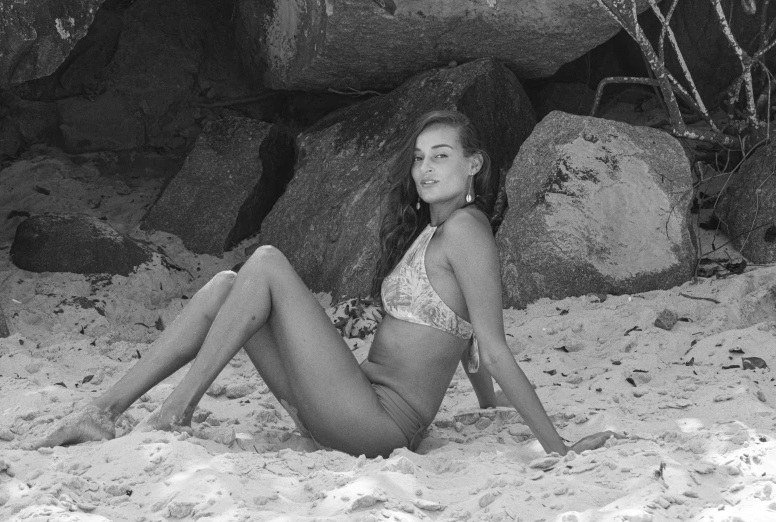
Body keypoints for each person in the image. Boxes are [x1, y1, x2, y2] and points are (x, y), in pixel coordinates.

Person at [33, 110, 616, 457]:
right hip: (348, 403)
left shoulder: (467, 229)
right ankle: (104, 411)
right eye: (418, 158)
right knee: (224, 288)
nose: (426, 169)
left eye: (442, 156)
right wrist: (487, 408)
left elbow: (491, 342)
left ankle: (175, 412)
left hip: (376, 424)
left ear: (475, 165)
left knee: (264, 263)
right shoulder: (435, 231)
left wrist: (556, 447)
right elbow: (463, 344)